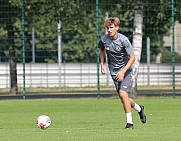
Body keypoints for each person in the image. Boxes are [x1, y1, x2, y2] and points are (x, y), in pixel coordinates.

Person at [98, 17, 146, 129]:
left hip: (126, 71)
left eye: (111, 27)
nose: (109, 30)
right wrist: (102, 64)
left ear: (117, 28)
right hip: (114, 72)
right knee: (123, 98)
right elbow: (101, 49)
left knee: (123, 94)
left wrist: (123, 71)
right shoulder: (104, 39)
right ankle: (139, 108)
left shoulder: (123, 40)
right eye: (107, 28)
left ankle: (130, 123)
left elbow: (132, 57)